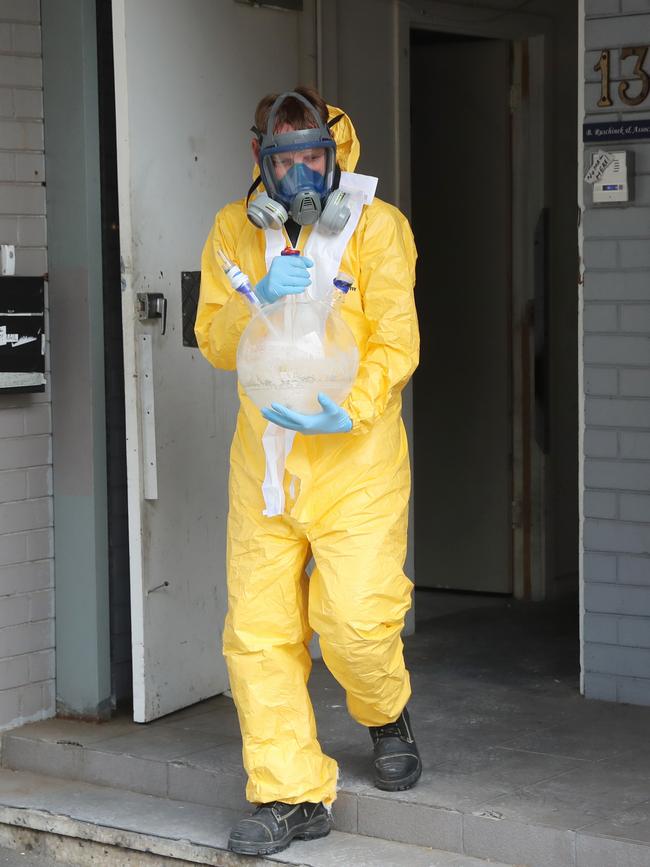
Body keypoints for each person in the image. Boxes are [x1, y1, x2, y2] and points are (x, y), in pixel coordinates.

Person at [195, 85, 421, 858]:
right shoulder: (234, 231)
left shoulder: (378, 229)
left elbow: (398, 339)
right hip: (263, 466)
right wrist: (252, 303)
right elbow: (216, 340)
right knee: (257, 634)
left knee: (355, 624)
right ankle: (291, 794)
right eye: (283, 160)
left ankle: (385, 709)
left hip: (355, 461)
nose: (300, 178)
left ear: (336, 154)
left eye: (312, 158)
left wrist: (351, 407)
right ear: (261, 160)